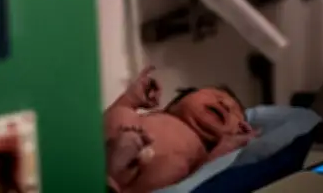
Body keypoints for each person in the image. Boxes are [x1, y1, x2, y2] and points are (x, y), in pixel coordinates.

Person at [105, 66, 257, 193]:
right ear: (177, 102)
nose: (225, 104)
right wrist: (131, 98)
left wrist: (229, 147)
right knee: (121, 114)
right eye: (216, 95)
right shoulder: (158, 117)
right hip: (113, 141)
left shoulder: (203, 154)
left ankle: (112, 176)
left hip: (137, 184)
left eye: (235, 113)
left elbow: (203, 175)